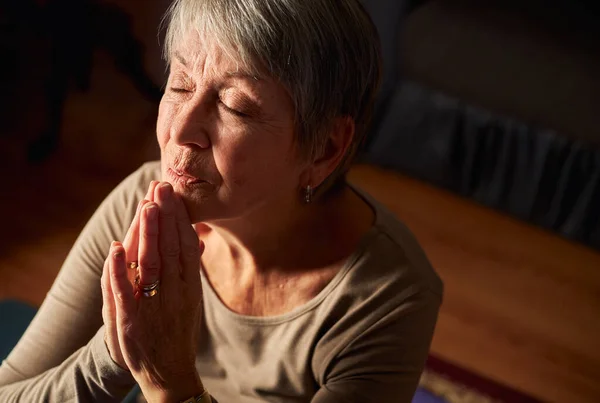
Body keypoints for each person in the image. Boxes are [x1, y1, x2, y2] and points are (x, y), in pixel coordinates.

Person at [0, 0, 443, 401]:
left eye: (235, 106)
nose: (180, 131)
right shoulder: (142, 203)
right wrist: (118, 353)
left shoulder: (387, 300)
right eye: (179, 84)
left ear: (324, 149)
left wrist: (170, 381)